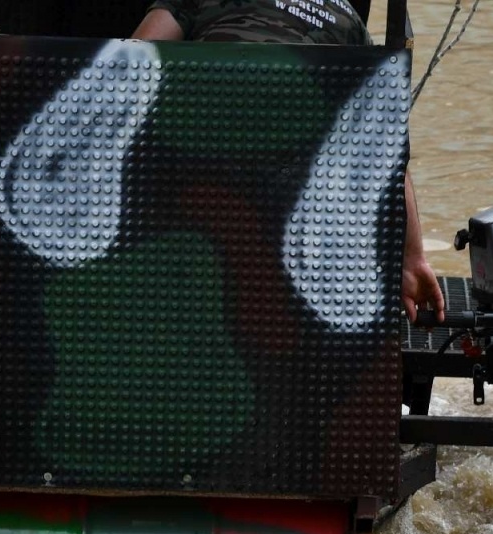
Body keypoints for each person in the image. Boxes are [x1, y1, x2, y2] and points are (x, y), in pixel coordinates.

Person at [133, 0, 444, 324]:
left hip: (198, 186)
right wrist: (412, 259)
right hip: (294, 215)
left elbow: (131, 60)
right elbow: (386, 150)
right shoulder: (346, 18)